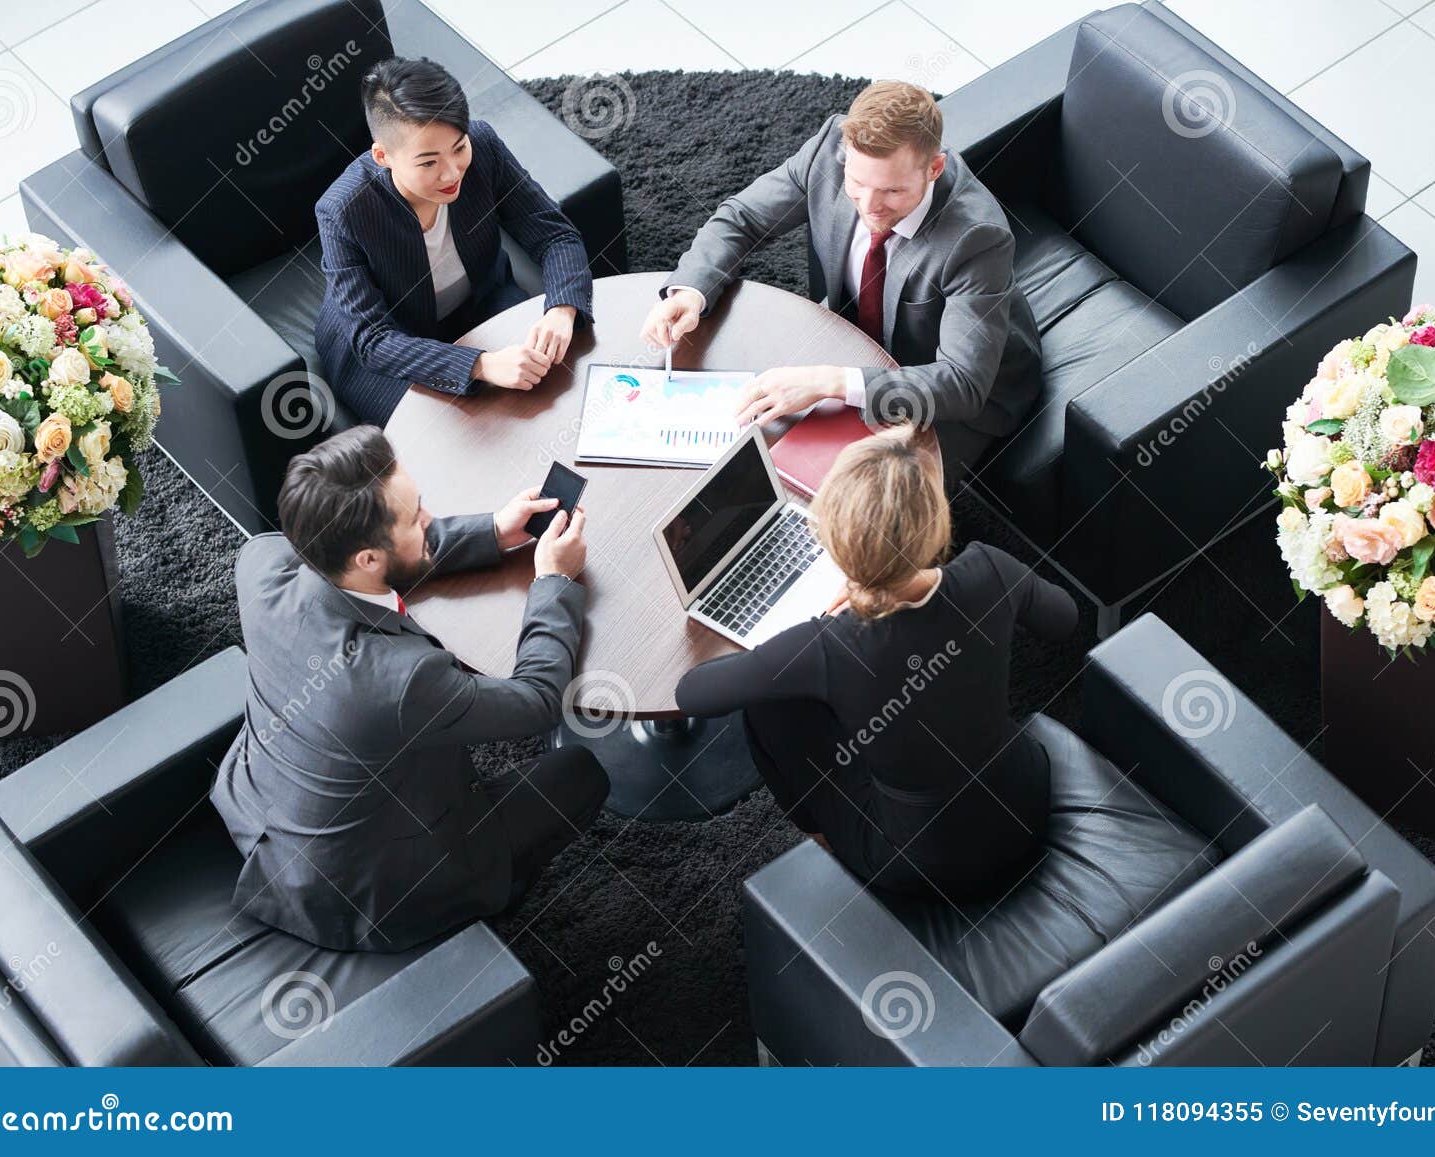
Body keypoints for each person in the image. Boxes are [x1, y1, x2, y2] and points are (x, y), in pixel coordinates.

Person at [210, 425, 607, 952]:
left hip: (257, 810)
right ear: (369, 560)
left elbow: (359, 557)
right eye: (416, 516)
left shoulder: (262, 565)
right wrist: (552, 581)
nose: (429, 518)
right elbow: (537, 701)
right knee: (579, 774)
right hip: (363, 893)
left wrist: (491, 531)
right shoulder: (401, 681)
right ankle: (486, 902)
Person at [674, 431, 1076, 897]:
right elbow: (1063, 620)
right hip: (1023, 804)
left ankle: (824, 840)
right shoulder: (990, 569)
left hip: (918, 863)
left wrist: (799, 641)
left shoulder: (825, 646)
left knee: (770, 705)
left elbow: (693, 694)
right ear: (935, 519)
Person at [640, 80, 1040, 486]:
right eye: (857, 185)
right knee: (763, 451)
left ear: (934, 168)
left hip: (955, 392)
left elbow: (962, 384)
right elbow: (744, 217)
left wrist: (829, 383)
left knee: (864, 502)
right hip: (856, 342)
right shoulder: (829, 149)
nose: (869, 208)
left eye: (891, 191)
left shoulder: (976, 238)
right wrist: (690, 290)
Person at [315, 57, 595, 426]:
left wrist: (562, 309)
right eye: (429, 162)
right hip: (393, 346)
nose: (451, 172)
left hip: (481, 301)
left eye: (458, 148)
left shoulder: (484, 145)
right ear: (383, 156)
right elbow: (373, 341)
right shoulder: (343, 210)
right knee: (447, 439)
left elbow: (553, 233)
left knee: (553, 392)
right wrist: (481, 365)